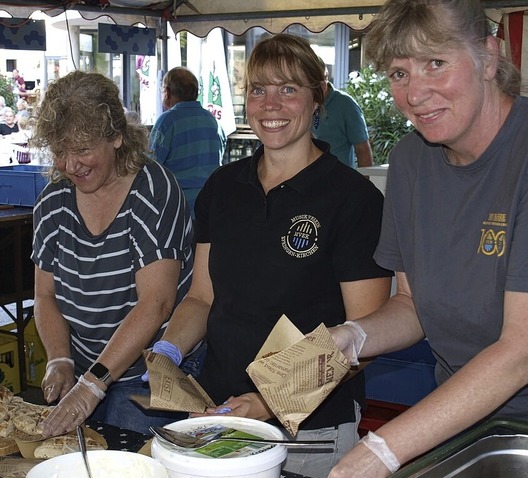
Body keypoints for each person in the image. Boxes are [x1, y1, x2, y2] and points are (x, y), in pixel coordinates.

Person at [327, 1, 528, 477]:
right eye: (398, 73)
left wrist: (380, 451)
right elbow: (413, 305)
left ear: (489, 58)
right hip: (477, 413)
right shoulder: (411, 160)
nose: (416, 93)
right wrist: (353, 337)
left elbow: (526, 350)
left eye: (436, 63)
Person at [148, 33, 393, 478]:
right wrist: (169, 350)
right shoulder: (223, 188)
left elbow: (367, 341)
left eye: (289, 89)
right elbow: (202, 298)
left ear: (317, 99)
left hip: (309, 433)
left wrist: (269, 402)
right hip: (218, 415)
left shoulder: (353, 199)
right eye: (258, 90)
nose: (270, 105)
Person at [30, 71, 194, 437]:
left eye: (83, 149)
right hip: (88, 369)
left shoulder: (152, 190)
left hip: (149, 373)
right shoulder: (53, 202)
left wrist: (93, 385)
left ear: (117, 137)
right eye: (60, 151)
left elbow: (157, 304)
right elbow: (44, 295)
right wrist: (59, 358)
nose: (71, 165)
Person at [150, 66, 226, 218]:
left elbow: (152, 165)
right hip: (210, 204)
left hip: (178, 207)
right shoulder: (212, 120)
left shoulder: (167, 121)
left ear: (168, 92)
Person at [313, 65, 373, 168]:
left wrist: (363, 182)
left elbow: (363, 150)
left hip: (340, 179)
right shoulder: (303, 103)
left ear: (324, 81)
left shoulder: (346, 104)